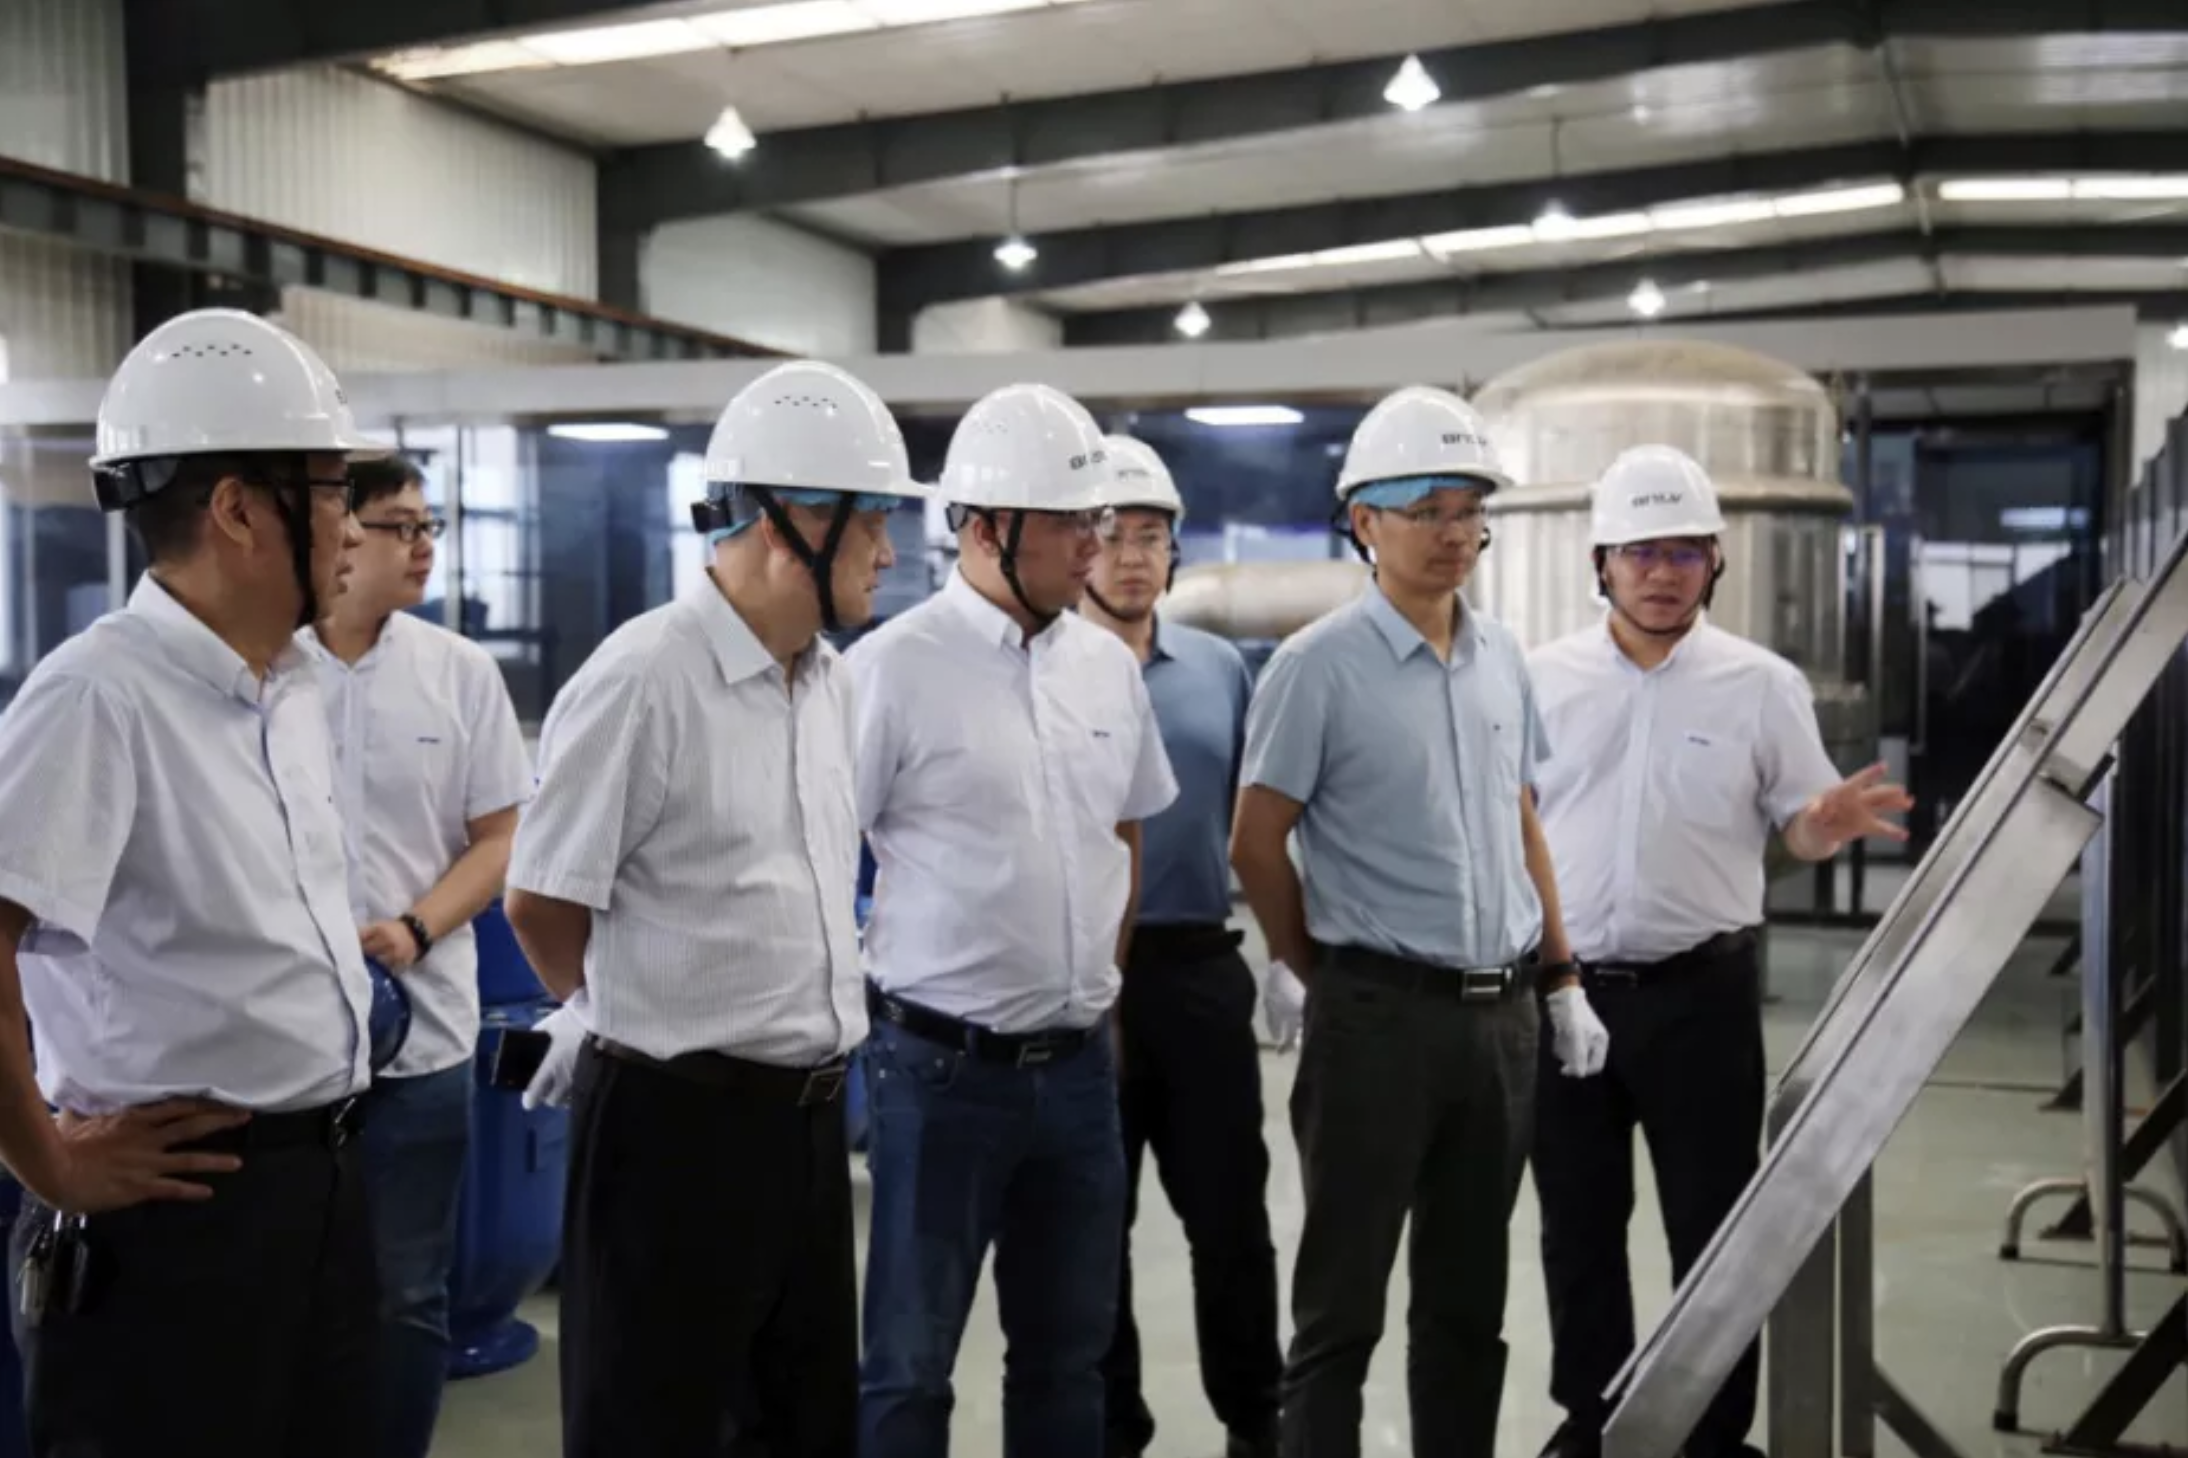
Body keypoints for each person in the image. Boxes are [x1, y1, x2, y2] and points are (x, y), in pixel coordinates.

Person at [501, 360, 925, 1458]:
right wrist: (614, 1009)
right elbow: (541, 899)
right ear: (788, 526)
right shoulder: (646, 677)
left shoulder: (828, 681)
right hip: (672, 1134)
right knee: (653, 1427)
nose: (888, 553)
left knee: (800, 1426)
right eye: (871, 524)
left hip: (804, 1129)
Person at [0, 308, 380, 1458]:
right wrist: (50, 1162)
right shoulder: (99, 696)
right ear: (237, 509)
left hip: (318, 1188)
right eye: (332, 491)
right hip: (176, 1222)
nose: (354, 524)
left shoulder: (292, 686)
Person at [1228, 384, 1609, 1458]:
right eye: (1428, 510)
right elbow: (1255, 842)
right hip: (1377, 1022)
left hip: (1501, 1026)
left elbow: (1520, 817)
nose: (1454, 534)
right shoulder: (1316, 667)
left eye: (1469, 511)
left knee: (1466, 1309)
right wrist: (1314, 968)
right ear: (1364, 522)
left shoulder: (1502, 659)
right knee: (1340, 1310)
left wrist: (1561, 977)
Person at [1524, 446, 1912, 1458]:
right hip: (1563, 993)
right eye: (1641, 552)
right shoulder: (1539, 680)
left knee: (1713, 1228)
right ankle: (1593, 1420)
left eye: (1685, 553)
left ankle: (1713, 1432)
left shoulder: (1761, 684)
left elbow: (1800, 825)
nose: (1663, 573)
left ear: (1715, 562)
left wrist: (1821, 827)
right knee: (1577, 1222)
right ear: (1602, 562)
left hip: (1700, 996)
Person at [850, 384, 1178, 1458]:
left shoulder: (1106, 668)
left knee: (1067, 1360)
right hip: (938, 1075)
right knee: (908, 1368)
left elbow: (1120, 834)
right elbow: (815, 852)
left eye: (1101, 520)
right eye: (1073, 522)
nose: (1097, 544)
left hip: (1078, 1074)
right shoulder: (888, 672)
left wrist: (1102, 998)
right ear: (987, 528)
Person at [299, 454, 532, 1458]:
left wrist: (414, 929)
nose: (423, 545)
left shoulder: (459, 673)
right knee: (280, 1292)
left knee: (404, 1295)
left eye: (429, 525)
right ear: (340, 535)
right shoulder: (271, 671)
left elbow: (501, 839)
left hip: (421, 1041)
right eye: (399, 525)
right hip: (283, 1046)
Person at [1079, 435, 1284, 1458]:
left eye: (1150, 538)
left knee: (1230, 1219)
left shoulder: (1218, 670)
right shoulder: (1044, 670)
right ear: (1080, 547)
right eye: (1112, 536)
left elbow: (1259, 821)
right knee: (1093, 1226)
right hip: (1083, 984)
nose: (1131, 557)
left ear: (1175, 551)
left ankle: (1256, 1418)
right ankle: (1114, 1427)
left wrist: (1287, 954)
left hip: (1198, 970)